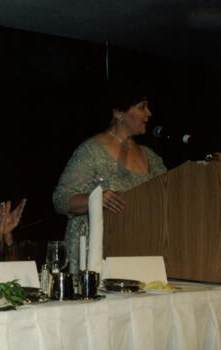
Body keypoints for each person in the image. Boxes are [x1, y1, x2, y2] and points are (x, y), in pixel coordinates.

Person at [53, 81, 167, 273]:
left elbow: (168, 196)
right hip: (96, 261)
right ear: (118, 112)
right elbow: (60, 199)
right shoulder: (91, 151)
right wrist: (96, 198)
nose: (149, 114)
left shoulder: (151, 158)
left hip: (143, 253)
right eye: (142, 107)